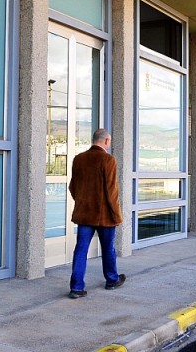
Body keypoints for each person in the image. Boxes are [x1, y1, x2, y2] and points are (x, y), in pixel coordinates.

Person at [67, 128, 125, 299]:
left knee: (81, 250)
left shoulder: (79, 159)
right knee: (108, 249)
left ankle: (76, 288)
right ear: (106, 141)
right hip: (104, 216)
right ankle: (112, 280)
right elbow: (111, 192)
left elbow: (73, 187)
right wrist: (116, 215)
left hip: (84, 215)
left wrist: (82, 202)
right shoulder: (108, 160)